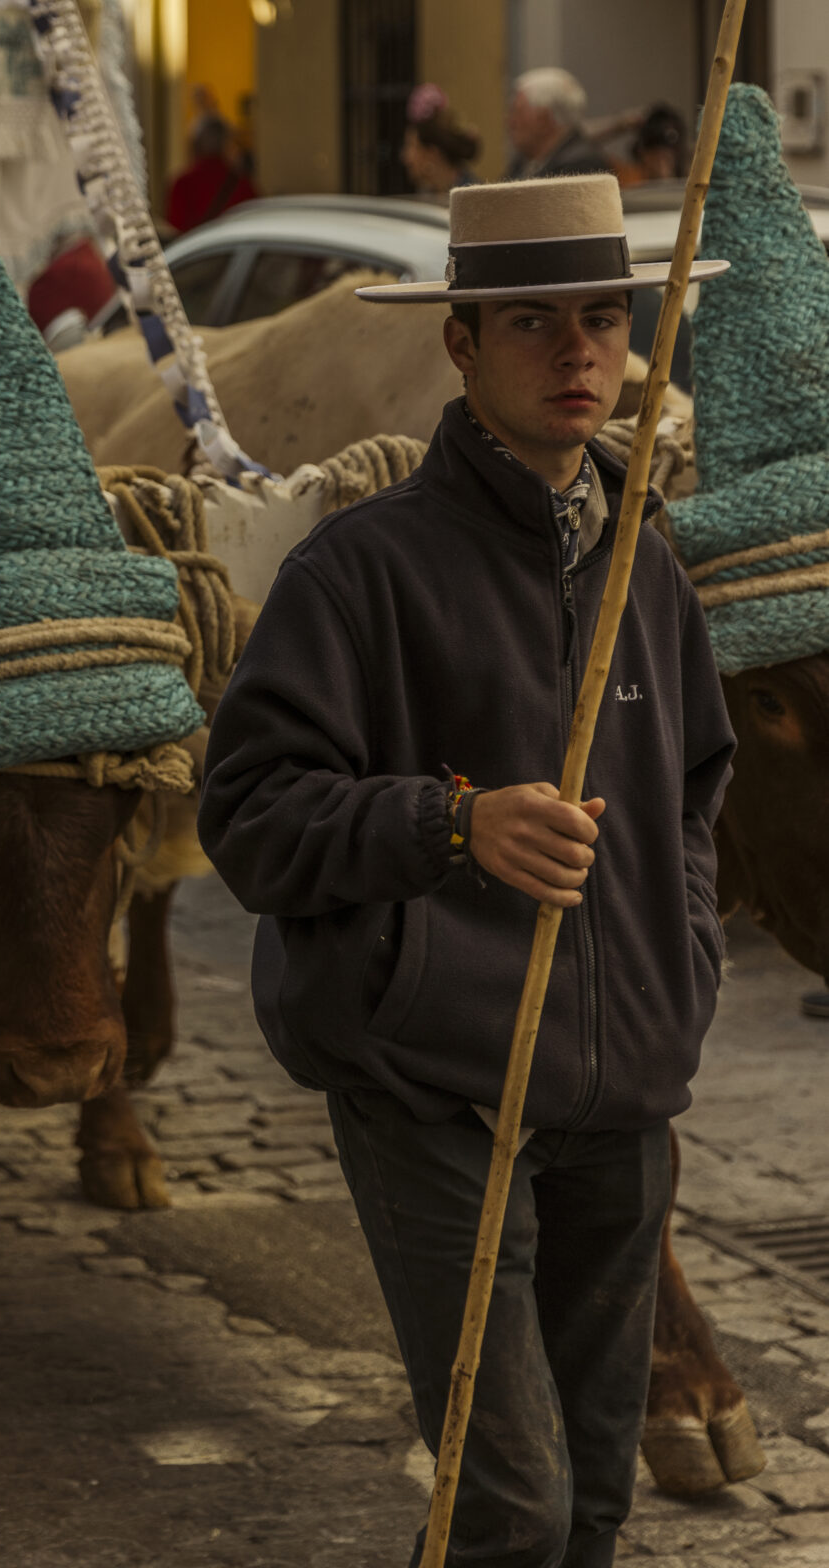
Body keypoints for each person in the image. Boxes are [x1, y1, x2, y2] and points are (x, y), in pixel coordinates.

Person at [199, 171, 734, 1568]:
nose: (579, 356)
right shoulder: (357, 578)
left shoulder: (647, 570)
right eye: (534, 324)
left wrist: (677, 974)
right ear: (460, 343)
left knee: (599, 1500)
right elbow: (250, 820)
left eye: (606, 322)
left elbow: (693, 799)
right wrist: (453, 825)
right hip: (435, 1087)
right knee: (513, 1505)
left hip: (621, 1098)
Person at [505, 67, 610, 180]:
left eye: (518, 112)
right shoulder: (522, 162)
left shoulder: (578, 168)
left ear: (544, 119)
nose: (511, 122)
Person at [166, 107, 256, 234]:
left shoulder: (183, 184)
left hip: (196, 252)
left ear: (195, 145)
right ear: (226, 145)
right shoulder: (243, 185)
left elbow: (176, 230)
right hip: (235, 252)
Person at [402, 105, 481, 195]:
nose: (405, 157)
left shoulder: (473, 197)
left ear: (432, 153)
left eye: (410, 146)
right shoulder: (428, 194)